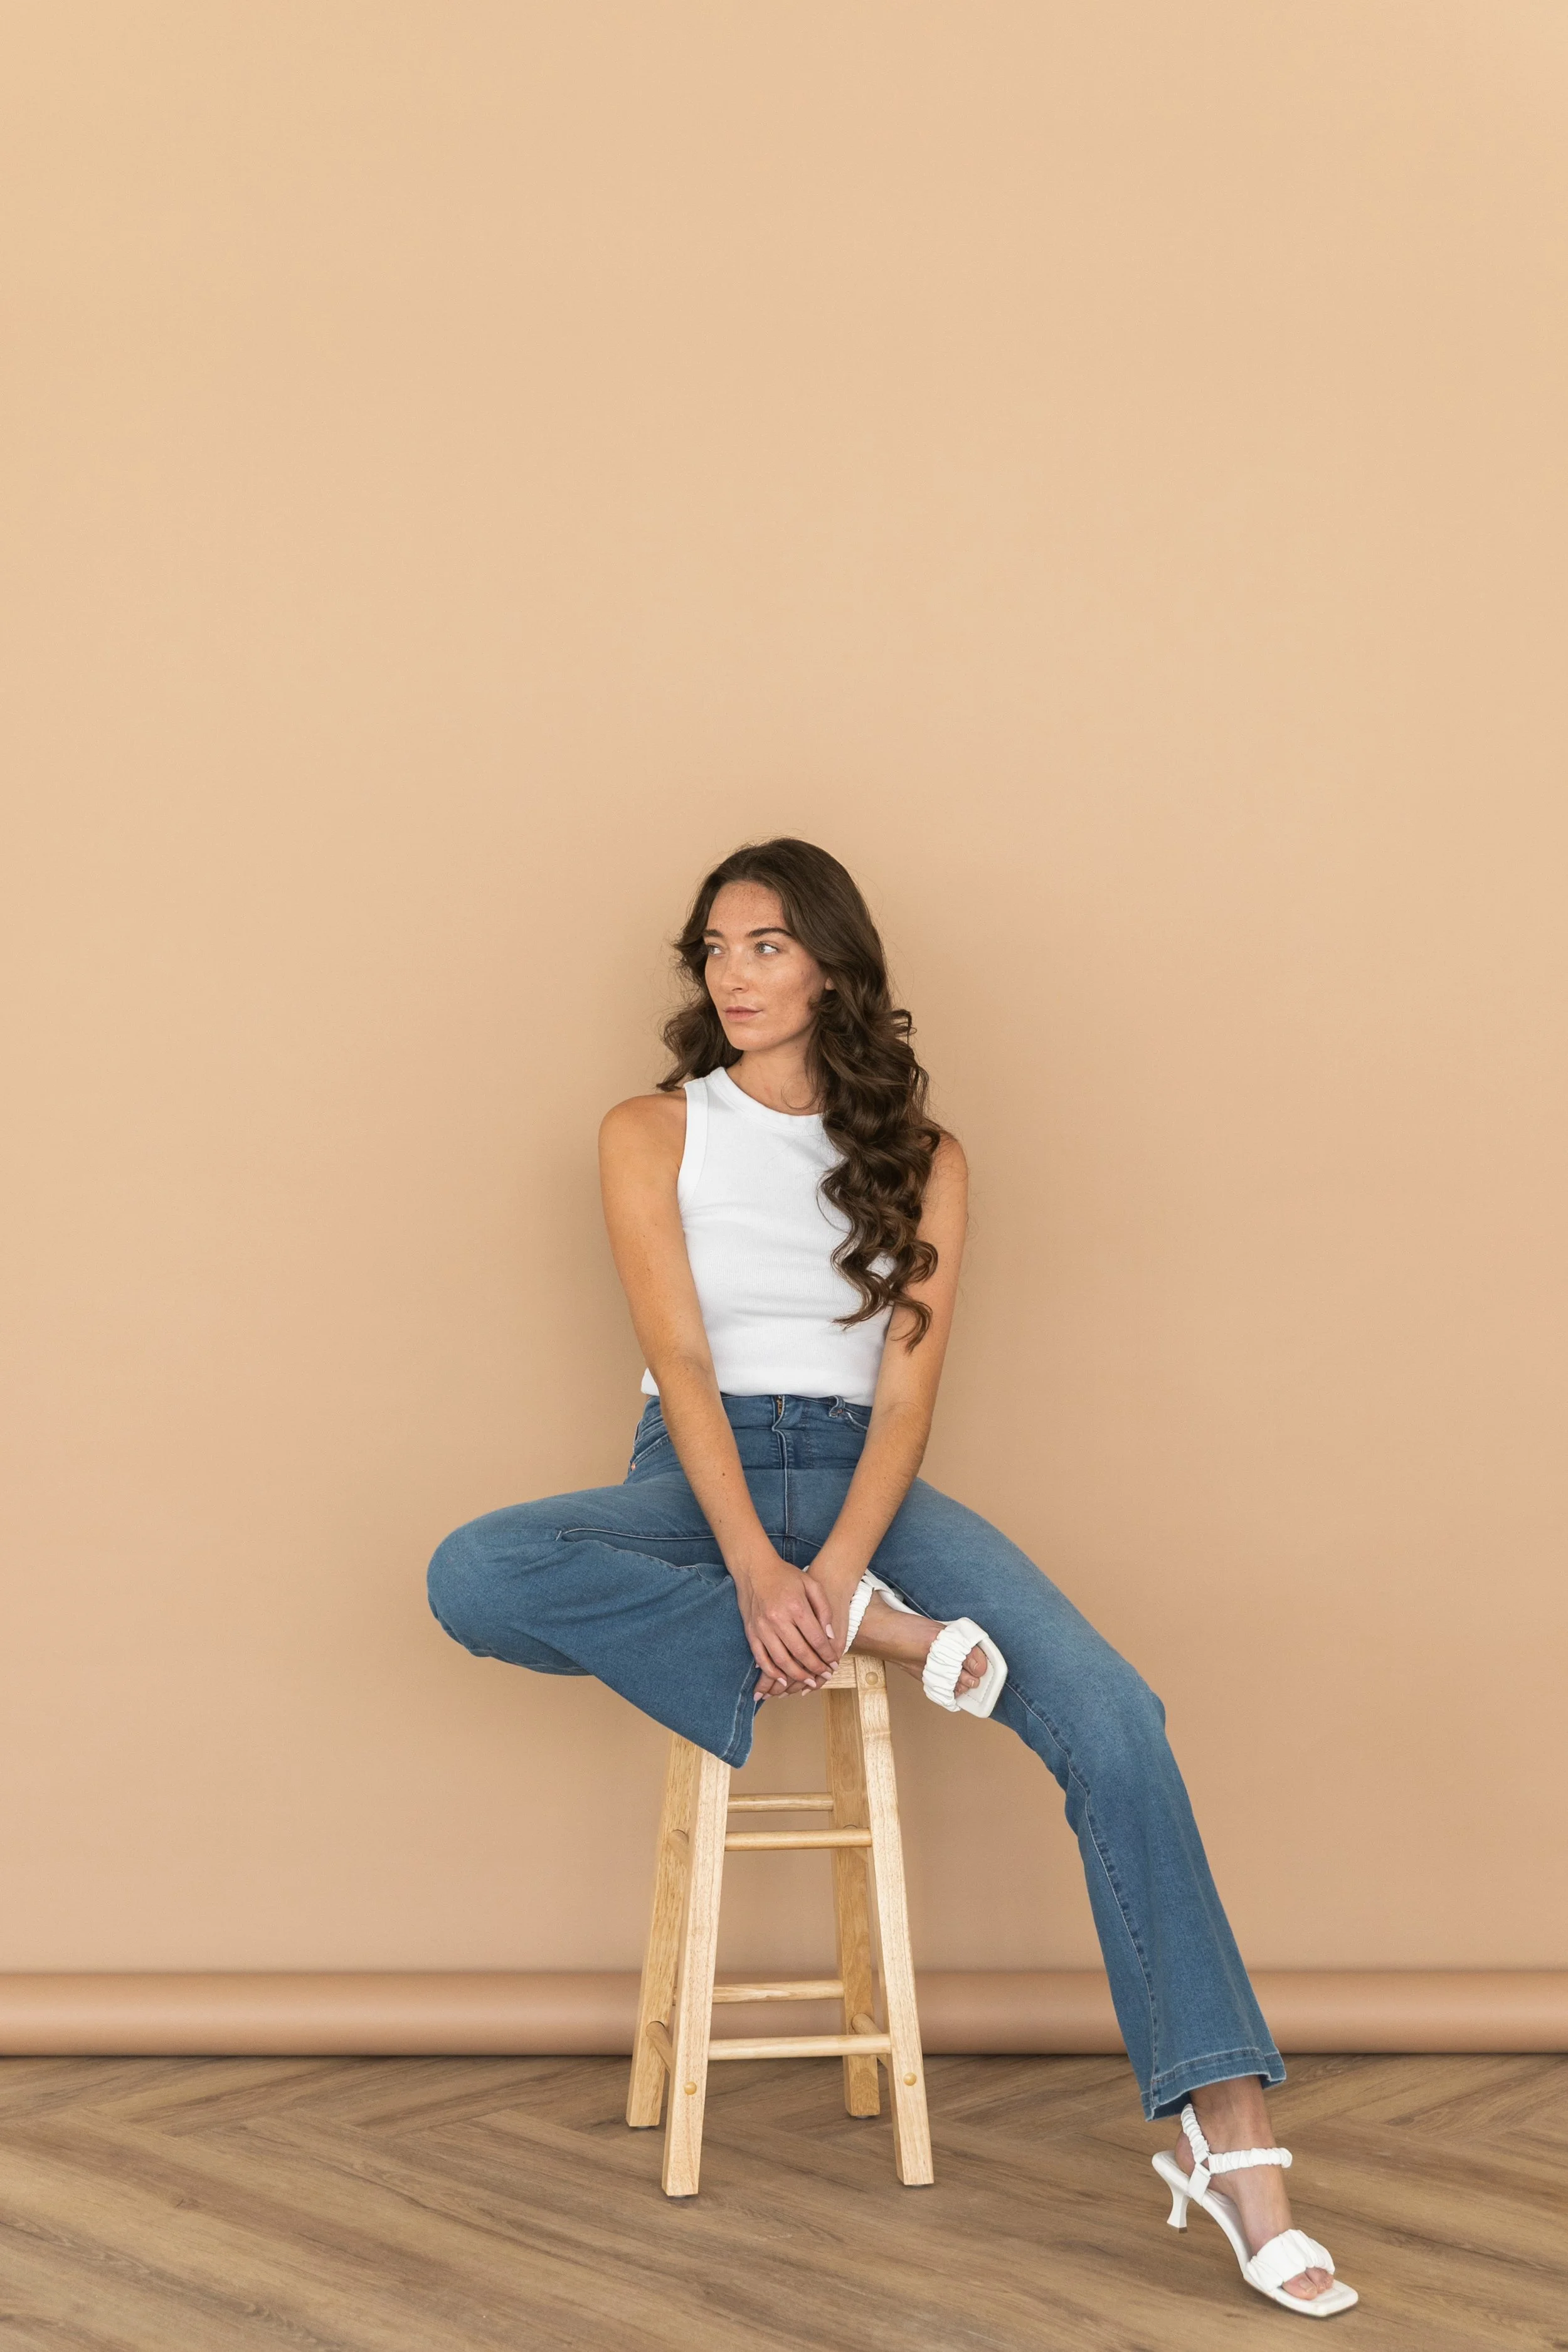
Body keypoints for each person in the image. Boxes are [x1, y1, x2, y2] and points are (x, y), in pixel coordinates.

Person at [427, 837, 1357, 2318]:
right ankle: (880, 1634)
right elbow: (677, 1360)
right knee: (474, 1573)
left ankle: (1229, 2141)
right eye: (715, 949)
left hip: (869, 1479)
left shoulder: (925, 1160)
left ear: (833, 969)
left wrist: (841, 1570)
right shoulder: (648, 1131)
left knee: (1116, 1719)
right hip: (699, 1470)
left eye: (764, 947)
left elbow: (910, 1397)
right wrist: (753, 1570)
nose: (731, 975)